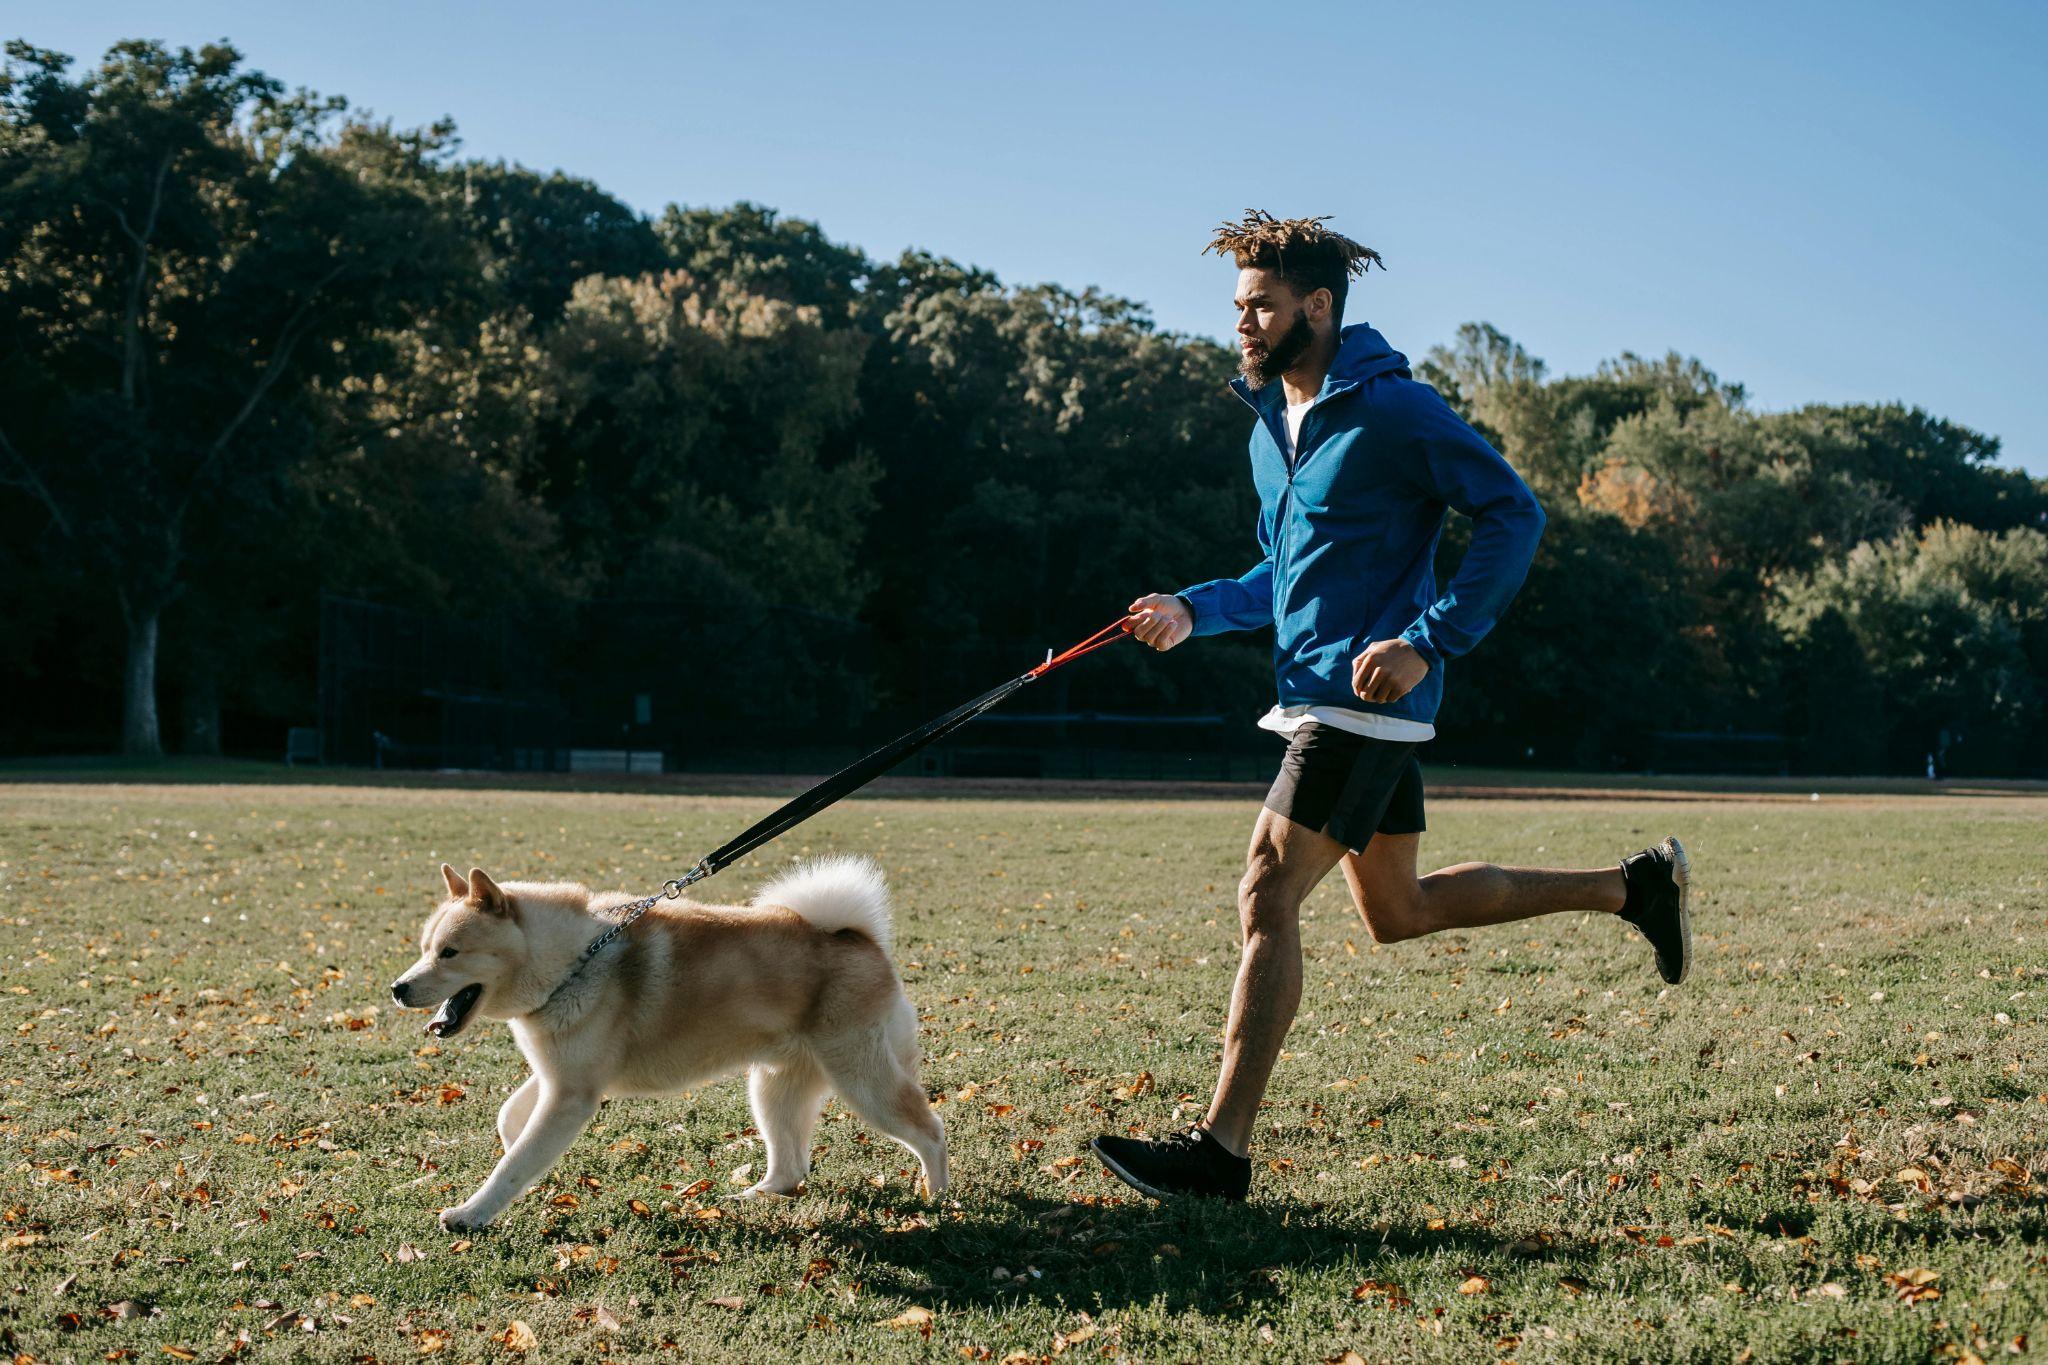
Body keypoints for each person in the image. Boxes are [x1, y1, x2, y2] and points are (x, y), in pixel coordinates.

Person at [1091, 211, 1691, 1202]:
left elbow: (1512, 510)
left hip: (1356, 703)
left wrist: (1429, 639)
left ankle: (1218, 1152)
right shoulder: (1273, 428)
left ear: (1315, 307)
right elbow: (1281, 578)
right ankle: (1631, 888)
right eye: (1237, 308)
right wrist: (1189, 611)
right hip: (1322, 695)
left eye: (1261, 307)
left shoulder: (1394, 411)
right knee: (1397, 911)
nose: (1242, 325)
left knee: (1264, 893)